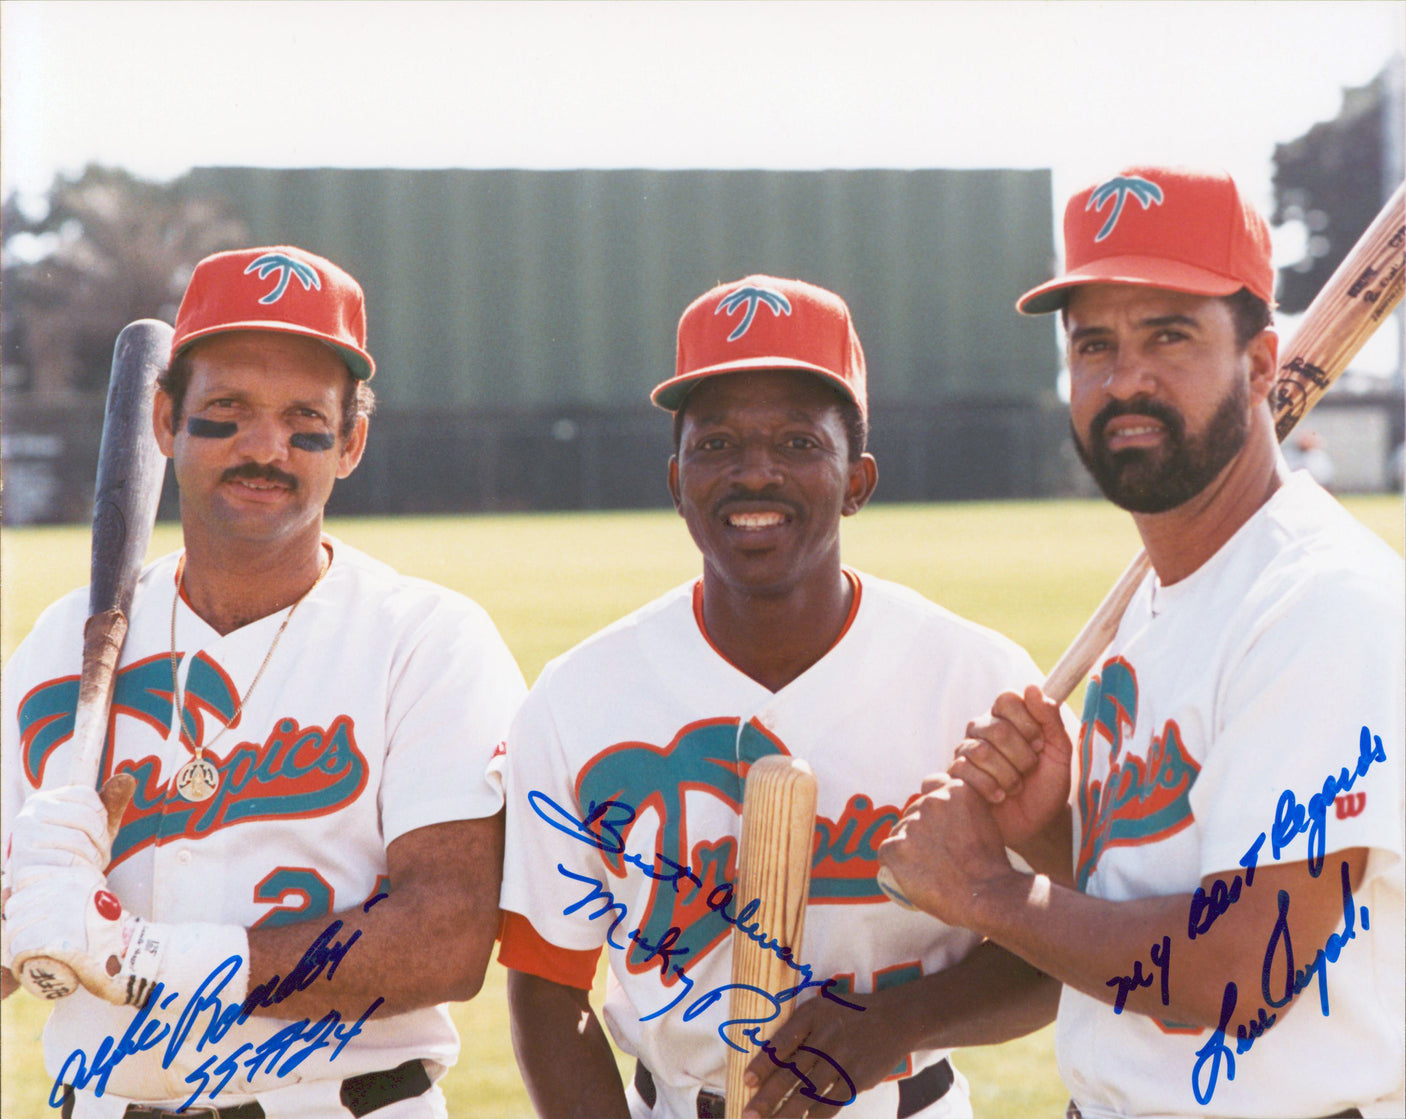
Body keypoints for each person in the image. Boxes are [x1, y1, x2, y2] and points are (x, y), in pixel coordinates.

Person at [879, 167, 1405, 1118]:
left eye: (1170, 334)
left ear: (1258, 365)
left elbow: (1247, 966)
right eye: (1095, 344)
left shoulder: (1319, 604)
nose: (1126, 379)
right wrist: (1053, 828)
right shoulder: (1155, 610)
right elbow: (1135, 904)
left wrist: (987, 892)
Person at [496, 274, 1059, 1119]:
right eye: (717, 444)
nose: (755, 472)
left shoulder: (974, 678)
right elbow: (548, 992)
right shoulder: (579, 697)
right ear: (677, 479)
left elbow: (1063, 947)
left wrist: (899, 1019)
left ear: (858, 480)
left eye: (799, 442)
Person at [1, 245, 527, 1118]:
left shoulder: (427, 640)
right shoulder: (67, 640)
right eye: (227, 410)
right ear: (164, 422)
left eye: (302, 418)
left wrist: (145, 958)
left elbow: (448, 936)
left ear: (350, 441)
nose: (264, 447)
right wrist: (29, 897)